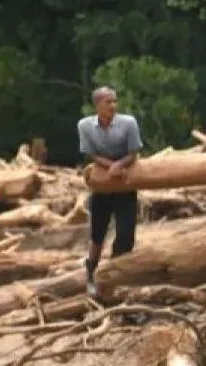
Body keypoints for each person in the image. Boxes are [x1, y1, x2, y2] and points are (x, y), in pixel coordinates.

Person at [78, 87, 143, 297]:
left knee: (126, 234)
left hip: (125, 185)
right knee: (97, 234)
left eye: (115, 101)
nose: (113, 106)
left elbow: (133, 153)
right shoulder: (85, 126)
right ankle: (91, 272)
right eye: (108, 102)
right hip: (103, 185)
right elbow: (90, 153)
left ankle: (117, 276)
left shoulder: (128, 123)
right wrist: (110, 166)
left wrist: (121, 164)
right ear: (97, 105)